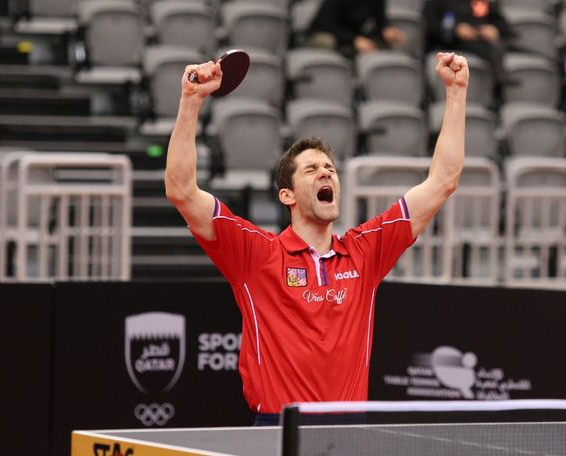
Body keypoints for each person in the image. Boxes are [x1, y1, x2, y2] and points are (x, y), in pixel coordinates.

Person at [164, 52, 468, 424]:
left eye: (329, 168)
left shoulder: (365, 251)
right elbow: (181, 189)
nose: (326, 174)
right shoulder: (256, 255)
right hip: (279, 431)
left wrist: (456, 93)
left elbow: (443, 182)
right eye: (311, 169)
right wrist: (191, 101)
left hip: (348, 434)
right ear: (287, 195)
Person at [424, 0, 511, 80]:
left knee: (496, 45)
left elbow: (503, 25)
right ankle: (498, 82)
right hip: (448, 44)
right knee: (490, 50)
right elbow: (429, 25)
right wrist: (455, 30)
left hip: (480, 40)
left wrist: (494, 29)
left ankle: (497, 84)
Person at [304, 0, 407, 56]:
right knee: (327, 40)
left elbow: (380, 21)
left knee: (390, 43)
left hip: (355, 36)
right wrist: (354, 40)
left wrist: (387, 30)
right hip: (325, 34)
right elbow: (326, 24)